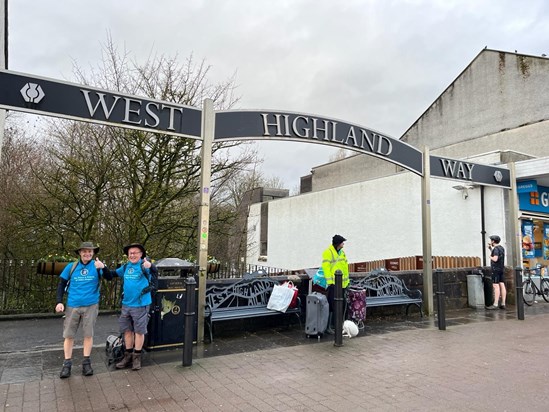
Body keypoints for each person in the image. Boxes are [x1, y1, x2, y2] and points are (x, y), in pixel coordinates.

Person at [97, 243, 157, 371]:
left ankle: (137, 358)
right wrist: (103, 267)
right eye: (130, 253)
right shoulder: (125, 267)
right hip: (126, 305)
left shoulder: (144, 265)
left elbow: (154, 271)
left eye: (135, 253)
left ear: (141, 255)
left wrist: (150, 265)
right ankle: (128, 356)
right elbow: (110, 275)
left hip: (141, 304)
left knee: (139, 332)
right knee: (127, 331)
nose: (132, 255)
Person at [55, 241, 106, 378]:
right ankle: (67, 364)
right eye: (84, 251)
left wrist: (103, 268)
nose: (87, 253)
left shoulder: (97, 266)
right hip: (73, 305)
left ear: (93, 253)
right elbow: (61, 284)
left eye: (90, 251)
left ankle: (86, 363)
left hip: (91, 305)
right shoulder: (71, 267)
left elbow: (109, 276)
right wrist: (59, 301)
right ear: (79, 253)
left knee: (88, 334)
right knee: (69, 335)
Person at [321, 234, 350, 333]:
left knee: (342, 305)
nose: (343, 244)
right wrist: (330, 282)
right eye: (342, 243)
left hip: (343, 284)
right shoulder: (328, 252)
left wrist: (347, 281)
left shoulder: (342, 253)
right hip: (333, 284)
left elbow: (345, 267)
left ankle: (337, 325)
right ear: (338, 244)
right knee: (332, 305)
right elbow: (326, 268)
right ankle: (329, 327)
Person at [487, 235, 506, 310]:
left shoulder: (496, 249)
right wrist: (490, 249)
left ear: (493, 241)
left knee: (496, 286)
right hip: (501, 269)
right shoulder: (501, 248)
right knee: (502, 284)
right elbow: (498, 254)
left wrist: (490, 257)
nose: (491, 241)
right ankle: (503, 303)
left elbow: (495, 259)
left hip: (495, 270)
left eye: (491, 240)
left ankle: (495, 304)